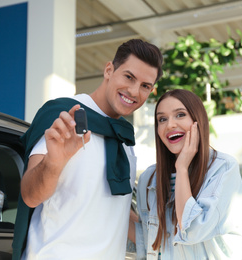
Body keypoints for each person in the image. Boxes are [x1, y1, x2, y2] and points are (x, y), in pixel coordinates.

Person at [12, 39, 163, 260]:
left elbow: (112, 210)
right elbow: (30, 196)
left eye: (145, 86)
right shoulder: (65, 117)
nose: (134, 91)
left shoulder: (124, 141)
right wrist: (55, 161)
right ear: (109, 70)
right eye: (129, 77)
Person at [133, 89, 242, 259]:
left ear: (198, 121)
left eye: (180, 115)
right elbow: (146, 242)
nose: (170, 125)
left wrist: (182, 168)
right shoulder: (149, 179)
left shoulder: (223, 169)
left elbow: (193, 230)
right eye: (162, 119)